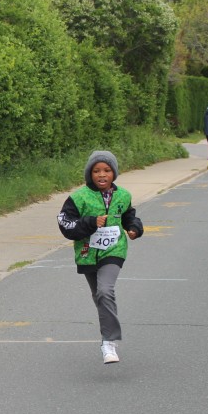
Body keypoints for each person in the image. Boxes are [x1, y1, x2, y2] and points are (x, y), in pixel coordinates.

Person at [57, 151, 144, 364]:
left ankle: (109, 342)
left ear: (114, 173)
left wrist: (134, 228)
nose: (102, 175)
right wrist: (90, 222)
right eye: (96, 171)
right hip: (87, 253)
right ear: (90, 174)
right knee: (99, 296)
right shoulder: (79, 197)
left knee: (105, 290)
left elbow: (128, 216)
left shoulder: (123, 195)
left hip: (114, 250)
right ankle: (108, 335)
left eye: (107, 170)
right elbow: (65, 223)